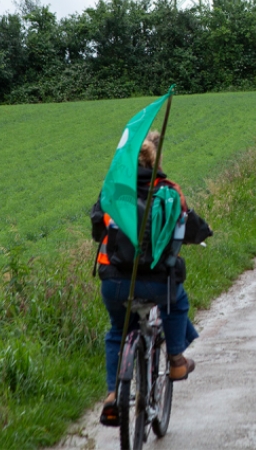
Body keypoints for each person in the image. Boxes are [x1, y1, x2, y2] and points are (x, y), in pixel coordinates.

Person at [90, 131, 213, 426]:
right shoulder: (169, 192)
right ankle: (175, 360)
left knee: (118, 332)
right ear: (156, 162)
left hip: (115, 282)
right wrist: (202, 233)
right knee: (177, 303)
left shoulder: (112, 192)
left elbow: (97, 229)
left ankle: (111, 397)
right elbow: (190, 228)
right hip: (159, 282)